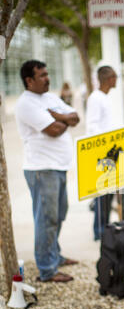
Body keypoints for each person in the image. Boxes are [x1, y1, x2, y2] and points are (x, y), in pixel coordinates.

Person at [15, 60, 80, 283]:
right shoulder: (26, 103)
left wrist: (56, 114)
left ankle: (55, 255)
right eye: (41, 75)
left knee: (58, 215)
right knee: (46, 219)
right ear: (29, 80)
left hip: (59, 167)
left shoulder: (50, 97)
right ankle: (47, 269)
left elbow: (75, 117)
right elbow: (54, 130)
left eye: (47, 73)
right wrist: (61, 118)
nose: (47, 78)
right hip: (42, 169)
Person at [85, 65, 118, 241]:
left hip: (111, 153)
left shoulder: (105, 97)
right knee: (102, 196)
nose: (116, 79)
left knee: (109, 194)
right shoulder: (95, 98)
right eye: (114, 76)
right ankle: (99, 232)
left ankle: (105, 227)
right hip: (102, 155)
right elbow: (93, 126)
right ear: (107, 78)